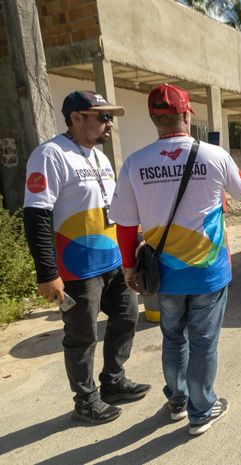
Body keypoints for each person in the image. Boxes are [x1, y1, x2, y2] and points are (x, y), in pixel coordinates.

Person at [109, 84, 241, 436]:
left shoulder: (134, 163)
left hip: (163, 273)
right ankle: (201, 412)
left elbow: (125, 224)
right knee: (203, 342)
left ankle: (177, 401)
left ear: (154, 118)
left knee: (173, 337)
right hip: (208, 272)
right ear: (187, 115)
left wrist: (129, 266)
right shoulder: (215, 155)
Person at [23, 90, 150, 424]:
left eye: (110, 117)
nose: (109, 124)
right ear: (76, 117)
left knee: (126, 319)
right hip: (76, 268)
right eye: (102, 117)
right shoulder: (50, 155)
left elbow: (114, 209)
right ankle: (85, 400)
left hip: (112, 262)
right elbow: (36, 216)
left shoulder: (101, 158)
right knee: (81, 336)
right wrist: (47, 273)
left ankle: (113, 381)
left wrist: (133, 246)